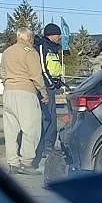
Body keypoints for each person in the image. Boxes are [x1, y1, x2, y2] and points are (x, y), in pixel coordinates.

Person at [0, 28, 46, 175]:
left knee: (10, 131)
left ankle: (13, 163)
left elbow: (2, 73)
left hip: (8, 93)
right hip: (26, 93)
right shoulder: (30, 52)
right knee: (31, 129)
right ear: (29, 37)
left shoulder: (7, 52)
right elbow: (36, 75)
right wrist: (44, 93)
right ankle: (26, 163)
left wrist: (8, 84)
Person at [34, 23, 65, 165]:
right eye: (58, 35)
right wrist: (50, 83)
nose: (60, 37)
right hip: (45, 87)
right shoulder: (43, 46)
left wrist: (58, 81)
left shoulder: (54, 48)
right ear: (52, 35)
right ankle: (45, 146)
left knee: (52, 116)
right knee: (47, 116)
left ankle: (49, 145)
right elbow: (42, 67)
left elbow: (54, 67)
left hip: (52, 86)